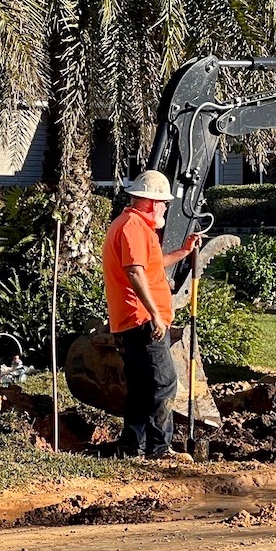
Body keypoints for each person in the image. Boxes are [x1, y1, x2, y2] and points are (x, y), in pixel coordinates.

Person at [102, 171, 200, 460]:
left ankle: (131, 446)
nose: (167, 208)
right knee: (164, 381)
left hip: (131, 319)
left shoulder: (132, 226)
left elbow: (151, 266)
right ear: (151, 202)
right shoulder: (133, 227)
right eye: (164, 204)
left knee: (141, 385)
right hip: (142, 320)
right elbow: (134, 271)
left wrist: (183, 252)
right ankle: (159, 449)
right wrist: (155, 314)